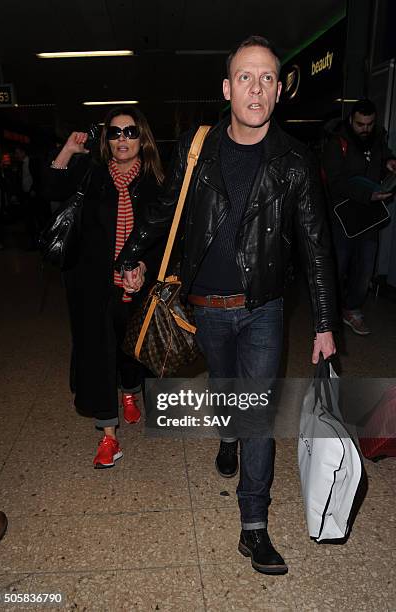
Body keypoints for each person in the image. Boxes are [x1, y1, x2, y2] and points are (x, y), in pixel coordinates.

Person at [117, 35, 337, 575]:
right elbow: (164, 212)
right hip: (205, 307)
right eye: (245, 77)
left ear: (280, 90)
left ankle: (254, 526)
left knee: (257, 411)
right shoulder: (197, 147)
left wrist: (326, 323)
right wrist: (129, 254)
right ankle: (227, 434)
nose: (256, 88)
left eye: (266, 78)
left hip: (263, 306)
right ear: (226, 87)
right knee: (224, 391)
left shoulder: (294, 162)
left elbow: (315, 244)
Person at [44, 106, 164, 468]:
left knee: (130, 351)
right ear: (106, 140)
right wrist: (68, 150)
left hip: (138, 285)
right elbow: (51, 187)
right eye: (114, 133)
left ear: (142, 138)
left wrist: (144, 266)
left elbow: (166, 236)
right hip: (94, 285)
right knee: (100, 354)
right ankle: (108, 436)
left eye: (130, 132)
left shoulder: (156, 181)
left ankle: (130, 392)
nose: (122, 139)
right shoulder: (92, 175)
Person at [322, 98, 396, 335]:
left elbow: (383, 158)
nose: (365, 128)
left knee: (365, 269)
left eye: (370, 124)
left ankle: (351, 309)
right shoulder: (337, 142)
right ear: (351, 120)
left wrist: (389, 163)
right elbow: (335, 183)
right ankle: (328, 316)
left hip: (369, 217)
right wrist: (368, 193)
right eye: (360, 124)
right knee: (338, 265)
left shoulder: (377, 140)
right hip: (344, 216)